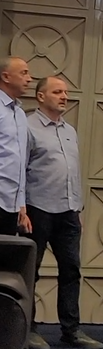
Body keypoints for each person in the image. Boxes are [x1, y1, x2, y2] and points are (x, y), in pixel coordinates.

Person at [26, 77, 102, 349]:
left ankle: (71, 330)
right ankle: (28, 329)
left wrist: (77, 206)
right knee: (30, 271)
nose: (64, 96)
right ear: (41, 96)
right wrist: (21, 208)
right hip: (37, 208)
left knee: (71, 270)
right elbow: (19, 169)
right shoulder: (27, 126)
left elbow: (73, 171)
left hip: (68, 211)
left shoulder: (70, 130)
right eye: (57, 92)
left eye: (66, 92)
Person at [0, 56, 32, 236]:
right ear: (6, 77)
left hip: (11, 204)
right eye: (24, 73)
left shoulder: (20, 114)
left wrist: (21, 204)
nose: (29, 79)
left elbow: (20, 162)